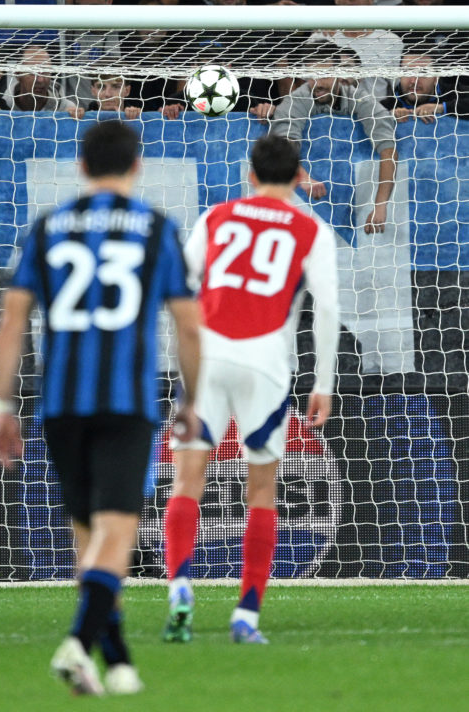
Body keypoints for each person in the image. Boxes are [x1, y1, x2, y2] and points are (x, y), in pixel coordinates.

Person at [0, 120, 201, 696]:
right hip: (126, 402)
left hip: (60, 404)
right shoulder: (156, 229)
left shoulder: (48, 227)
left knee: (88, 536)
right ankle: (79, 643)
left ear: (81, 166)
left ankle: (120, 660)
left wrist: (3, 403)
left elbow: (11, 319)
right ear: (137, 166)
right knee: (116, 532)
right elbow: (188, 324)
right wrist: (193, 398)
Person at [163, 135, 339, 645]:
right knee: (261, 490)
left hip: (208, 357)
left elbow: (183, 284)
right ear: (300, 175)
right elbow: (326, 309)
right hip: (266, 363)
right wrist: (322, 382)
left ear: (250, 175)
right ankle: (247, 615)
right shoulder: (312, 229)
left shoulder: (217, 216)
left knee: (187, 478)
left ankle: (180, 590)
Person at [269, 45, 398, 235]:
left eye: (324, 75)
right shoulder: (296, 101)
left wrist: (381, 204)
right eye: (312, 77)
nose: (317, 83)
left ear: (339, 75)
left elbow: (388, 148)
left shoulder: (360, 99)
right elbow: (282, 145)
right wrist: (304, 177)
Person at [382, 49, 469, 122]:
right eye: (407, 72)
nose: (414, 81)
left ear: (436, 77)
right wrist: (388, 116)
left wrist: (441, 108)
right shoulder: (385, 107)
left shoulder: (455, 94)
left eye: (422, 73)